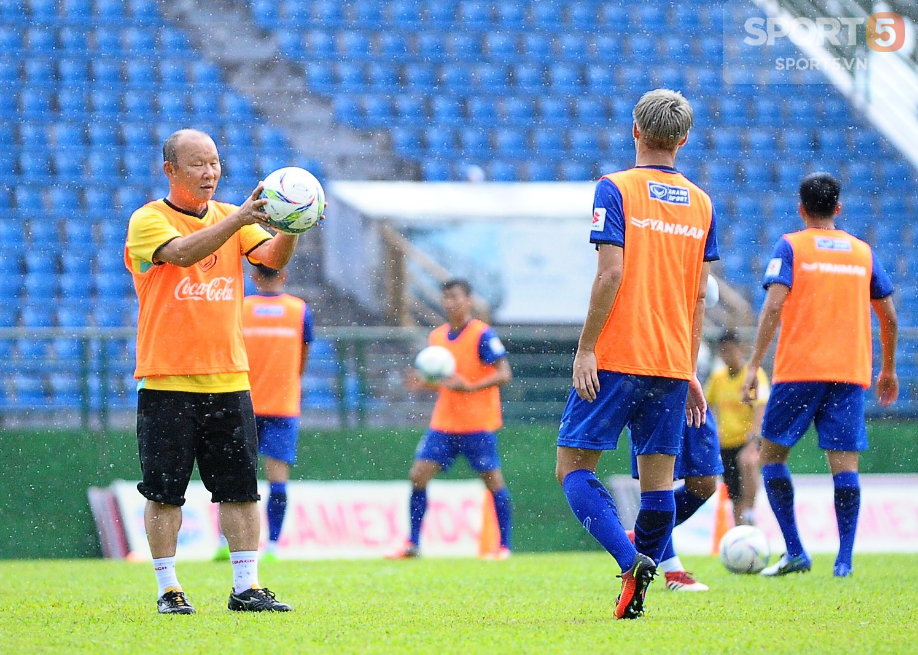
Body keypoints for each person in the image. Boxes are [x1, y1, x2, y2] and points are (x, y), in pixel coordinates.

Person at [125, 128, 305, 614]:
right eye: (198, 164)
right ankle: (169, 589)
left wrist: (291, 225)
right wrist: (242, 218)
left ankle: (246, 586)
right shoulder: (148, 219)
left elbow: (269, 257)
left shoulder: (231, 217)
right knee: (165, 493)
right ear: (170, 170)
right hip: (167, 381)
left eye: (215, 163)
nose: (210, 173)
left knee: (241, 490)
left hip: (229, 379)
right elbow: (183, 255)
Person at [556, 89, 718, 620]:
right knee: (656, 486)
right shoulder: (701, 202)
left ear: (635, 131)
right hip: (671, 364)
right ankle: (639, 589)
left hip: (619, 355)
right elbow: (698, 295)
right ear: (684, 139)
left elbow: (610, 272)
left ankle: (631, 563)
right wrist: (689, 367)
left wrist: (586, 348)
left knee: (573, 469)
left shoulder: (616, 187)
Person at [742, 172, 898, 578]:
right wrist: (888, 369)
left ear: (801, 208)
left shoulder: (791, 245)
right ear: (838, 208)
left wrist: (755, 364)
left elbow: (774, 307)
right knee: (845, 467)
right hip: (848, 373)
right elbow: (890, 317)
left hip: (799, 371)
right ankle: (843, 561)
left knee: (771, 457)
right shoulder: (862, 252)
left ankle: (795, 551)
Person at [388, 279, 514, 559]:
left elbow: (504, 374)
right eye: (445, 298)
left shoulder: (482, 334)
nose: (449, 303)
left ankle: (504, 546)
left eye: (455, 297)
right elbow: (443, 380)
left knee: (492, 481)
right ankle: (413, 544)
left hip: (477, 423)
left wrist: (469, 386)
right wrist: (425, 382)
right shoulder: (437, 338)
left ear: (468, 300)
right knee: (418, 476)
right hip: (444, 423)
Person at [214, 264, 313, 562]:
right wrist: (290, 380)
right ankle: (271, 546)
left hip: (243, 402)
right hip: (282, 405)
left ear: (254, 277)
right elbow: (304, 352)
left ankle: (225, 543)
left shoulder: (240, 306)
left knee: (234, 477)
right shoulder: (299, 310)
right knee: (277, 479)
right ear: (283, 275)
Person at [628, 410, 721, 592]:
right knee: (660, 484)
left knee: (704, 483)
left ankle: (642, 534)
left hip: (693, 397)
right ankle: (673, 572)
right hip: (659, 394)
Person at [706, 330, 770, 526]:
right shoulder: (718, 377)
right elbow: (707, 404)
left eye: (731, 351)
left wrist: (755, 435)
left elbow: (761, 404)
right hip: (726, 442)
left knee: (748, 462)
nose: (727, 356)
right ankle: (742, 533)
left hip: (747, 439)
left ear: (741, 349)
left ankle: (751, 510)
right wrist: (714, 428)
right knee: (734, 494)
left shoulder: (754, 374)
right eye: (723, 352)